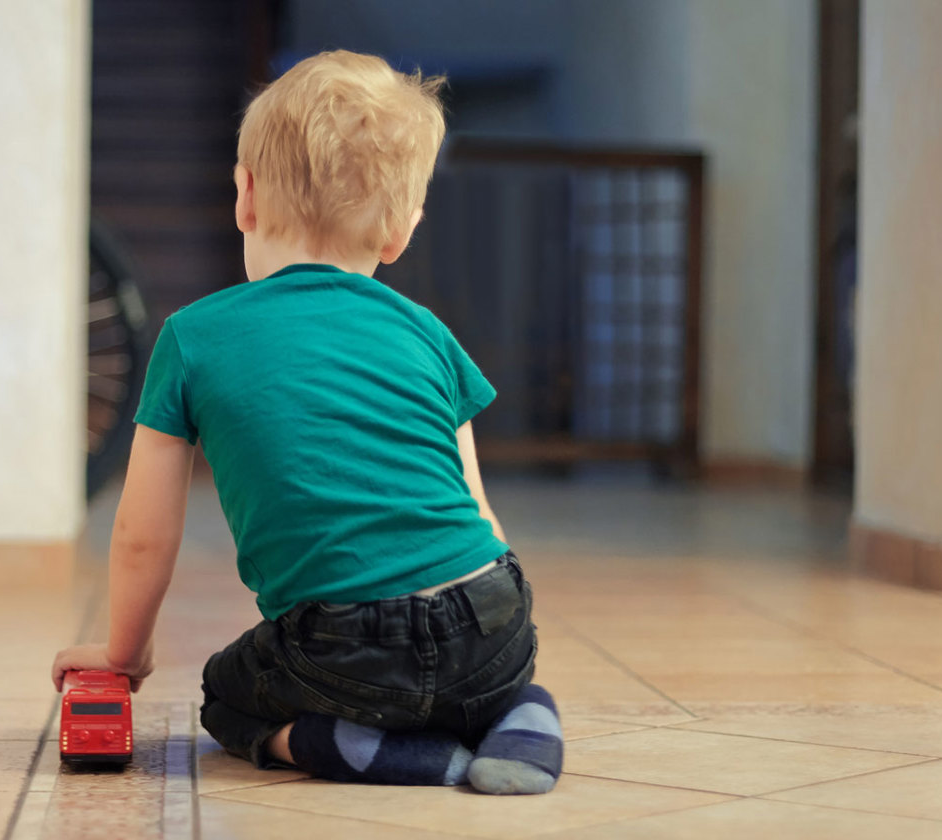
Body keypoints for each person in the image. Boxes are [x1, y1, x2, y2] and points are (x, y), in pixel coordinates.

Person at [51, 50, 563, 794]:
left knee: (228, 694)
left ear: (245, 197)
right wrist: (483, 635)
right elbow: (476, 510)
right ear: (400, 231)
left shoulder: (193, 337)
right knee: (489, 679)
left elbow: (142, 534)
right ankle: (519, 712)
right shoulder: (427, 334)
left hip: (341, 648)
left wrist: (124, 655)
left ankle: (355, 745)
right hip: (491, 620)